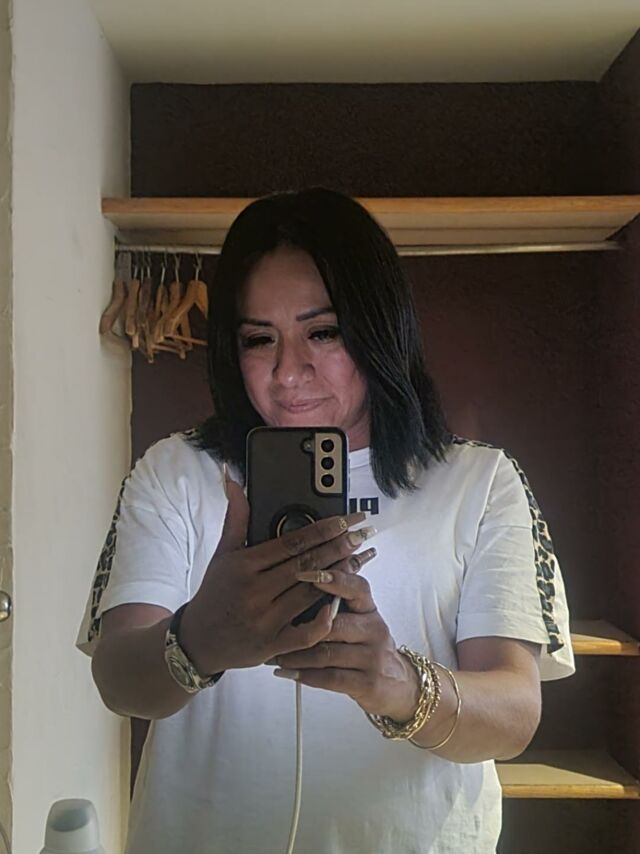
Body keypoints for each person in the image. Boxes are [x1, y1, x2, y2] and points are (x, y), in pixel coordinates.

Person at [77, 187, 575, 854]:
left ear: (379, 328)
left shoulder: (480, 482)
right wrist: (199, 641)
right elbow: (117, 678)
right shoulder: (176, 471)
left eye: (323, 332)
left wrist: (398, 683)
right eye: (259, 339)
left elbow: (515, 714)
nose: (289, 372)